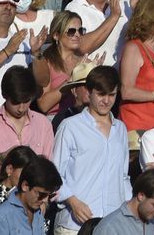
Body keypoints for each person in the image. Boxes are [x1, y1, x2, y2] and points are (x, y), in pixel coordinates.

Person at [55, 66, 131, 232]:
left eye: (112, 95)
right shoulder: (70, 126)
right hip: (74, 225)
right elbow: (54, 175)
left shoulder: (121, 129)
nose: (106, 100)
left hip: (111, 225)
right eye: (101, 94)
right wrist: (72, 201)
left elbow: (123, 177)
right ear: (89, 93)